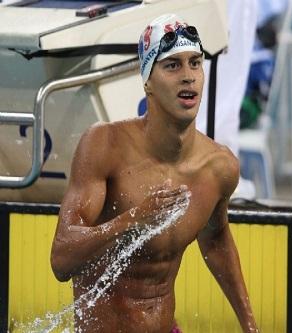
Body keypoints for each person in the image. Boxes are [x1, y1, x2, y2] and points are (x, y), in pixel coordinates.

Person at [50, 13, 258, 333]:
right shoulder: (105, 145)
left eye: (195, 63)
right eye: (172, 65)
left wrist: (250, 325)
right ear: (147, 79)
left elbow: (216, 241)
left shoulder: (219, 167)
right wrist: (131, 221)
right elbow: (62, 259)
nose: (188, 76)